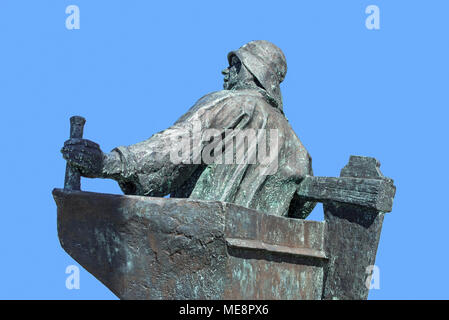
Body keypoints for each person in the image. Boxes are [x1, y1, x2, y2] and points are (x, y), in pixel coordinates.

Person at [61, 40, 315, 218]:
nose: (226, 70)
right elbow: (300, 208)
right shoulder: (299, 150)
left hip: (203, 241)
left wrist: (109, 163)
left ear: (250, 70)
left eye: (235, 64)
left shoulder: (234, 104)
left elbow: (179, 146)